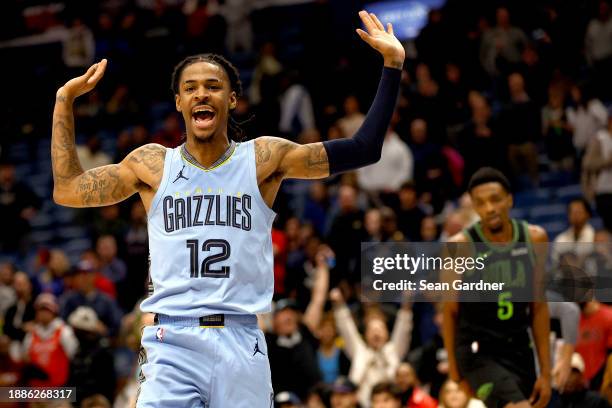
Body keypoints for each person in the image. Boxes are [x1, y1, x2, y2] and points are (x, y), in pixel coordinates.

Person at [50, 10, 404, 407]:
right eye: (192, 88)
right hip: (171, 340)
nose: (202, 93)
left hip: (240, 338)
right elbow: (67, 190)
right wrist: (64, 101)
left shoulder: (263, 158)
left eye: (213, 86)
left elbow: (363, 149)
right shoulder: (151, 164)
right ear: (179, 101)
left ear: (231, 98)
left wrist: (392, 65)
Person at [442, 167, 552, 408]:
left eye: (495, 199)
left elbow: (539, 308)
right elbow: (449, 313)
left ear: (509, 199)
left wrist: (546, 372)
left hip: (519, 346)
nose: (489, 208)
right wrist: (454, 373)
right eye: (480, 203)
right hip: (477, 350)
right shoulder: (459, 247)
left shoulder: (535, 239)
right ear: (473, 207)